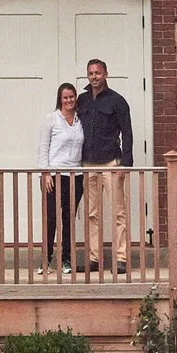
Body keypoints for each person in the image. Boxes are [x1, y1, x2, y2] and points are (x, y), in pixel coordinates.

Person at [73, 57, 133, 273]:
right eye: (90, 73)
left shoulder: (117, 101)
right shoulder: (83, 100)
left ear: (106, 74)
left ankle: (121, 258)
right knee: (92, 214)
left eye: (97, 73)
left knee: (119, 212)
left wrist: (125, 163)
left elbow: (127, 131)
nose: (94, 77)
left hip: (111, 163)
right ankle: (94, 258)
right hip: (88, 164)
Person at [38, 81, 84, 272]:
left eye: (71, 97)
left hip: (76, 175)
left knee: (68, 219)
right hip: (55, 176)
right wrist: (45, 173)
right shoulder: (52, 119)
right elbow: (43, 147)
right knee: (51, 218)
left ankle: (66, 260)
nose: (69, 100)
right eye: (65, 97)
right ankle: (46, 260)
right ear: (60, 99)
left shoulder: (81, 119)